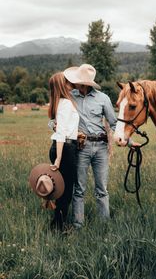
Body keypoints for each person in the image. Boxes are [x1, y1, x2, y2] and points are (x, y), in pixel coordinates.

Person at [63, 64, 117, 229]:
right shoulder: (69, 97)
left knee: (102, 188)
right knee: (79, 188)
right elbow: (56, 119)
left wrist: (122, 142)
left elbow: (114, 123)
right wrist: (56, 126)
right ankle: (78, 224)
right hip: (81, 147)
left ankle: (104, 225)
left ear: (85, 83)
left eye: (78, 81)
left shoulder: (103, 98)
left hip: (101, 147)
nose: (75, 83)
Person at [48, 71, 80, 231]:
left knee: (62, 189)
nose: (70, 83)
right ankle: (59, 227)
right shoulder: (65, 104)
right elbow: (61, 132)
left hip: (65, 145)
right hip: (65, 148)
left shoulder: (59, 102)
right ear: (62, 84)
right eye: (66, 81)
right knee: (65, 191)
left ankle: (57, 224)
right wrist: (59, 158)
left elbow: (59, 126)